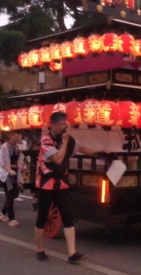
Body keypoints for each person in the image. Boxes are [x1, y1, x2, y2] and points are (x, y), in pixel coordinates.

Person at [34, 112, 102, 263]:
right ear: (52, 125)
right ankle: (40, 249)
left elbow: (79, 148)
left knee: (68, 216)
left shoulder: (68, 139)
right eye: (60, 124)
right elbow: (58, 159)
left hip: (61, 182)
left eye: (64, 124)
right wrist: (65, 141)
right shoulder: (46, 140)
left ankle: (72, 253)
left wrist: (97, 153)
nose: (63, 127)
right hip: (46, 182)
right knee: (42, 218)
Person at [0, 131, 24, 227]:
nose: (18, 136)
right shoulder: (4, 147)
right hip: (7, 174)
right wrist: (9, 170)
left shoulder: (19, 146)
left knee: (13, 195)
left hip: (16, 172)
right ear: (11, 136)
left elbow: (20, 159)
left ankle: (3, 212)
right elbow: (1, 162)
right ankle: (12, 218)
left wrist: (21, 165)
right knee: (9, 195)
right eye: (16, 135)